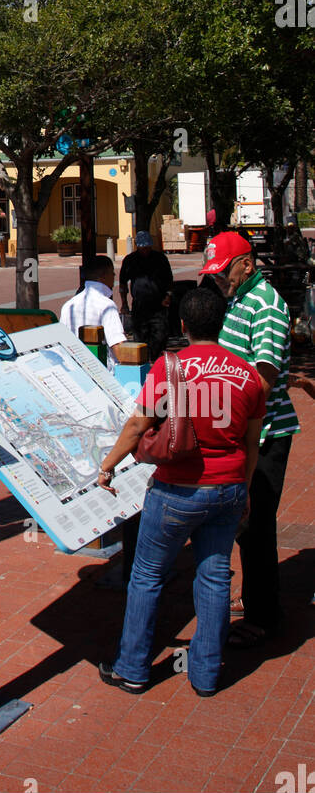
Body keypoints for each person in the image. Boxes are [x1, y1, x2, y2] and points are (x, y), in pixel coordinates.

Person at [97, 286, 264, 696]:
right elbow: (252, 442)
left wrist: (107, 465)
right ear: (222, 324)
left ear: (183, 325)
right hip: (227, 488)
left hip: (177, 490)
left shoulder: (170, 368)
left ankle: (132, 669)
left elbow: (138, 425)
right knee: (214, 576)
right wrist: (244, 490)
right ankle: (206, 675)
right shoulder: (250, 375)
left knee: (148, 575)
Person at [200, 231, 297, 648]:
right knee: (243, 522)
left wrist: (230, 416)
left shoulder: (268, 306)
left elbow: (263, 378)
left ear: (247, 263)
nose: (219, 282)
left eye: (223, 274)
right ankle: (256, 595)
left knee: (257, 525)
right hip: (241, 430)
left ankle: (264, 615)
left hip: (265, 433)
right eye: (214, 277)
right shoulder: (238, 300)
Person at [60, 256, 127, 366]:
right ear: (103, 276)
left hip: (75, 368)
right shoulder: (106, 305)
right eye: (112, 273)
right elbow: (117, 345)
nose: (114, 278)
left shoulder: (69, 305)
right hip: (102, 370)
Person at [119, 230, 174, 362]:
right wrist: (124, 303)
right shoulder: (130, 260)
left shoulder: (160, 259)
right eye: (143, 248)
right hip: (139, 305)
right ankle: (143, 364)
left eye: (148, 247)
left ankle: (156, 361)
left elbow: (169, 280)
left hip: (158, 305)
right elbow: (122, 284)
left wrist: (168, 296)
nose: (145, 251)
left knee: (160, 336)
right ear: (138, 246)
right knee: (140, 338)